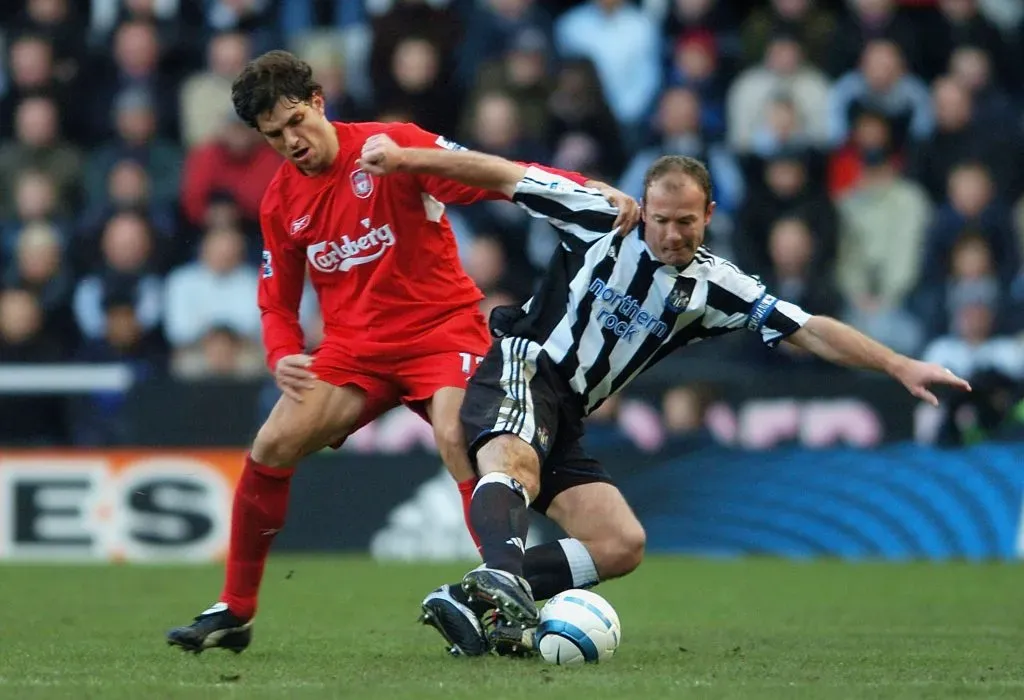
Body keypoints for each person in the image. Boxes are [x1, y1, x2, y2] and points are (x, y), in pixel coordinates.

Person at [357, 137, 973, 657]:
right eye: (661, 219)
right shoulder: (597, 215)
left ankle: (473, 599)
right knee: (514, 461)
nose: (672, 234)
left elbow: (808, 328)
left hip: (569, 413)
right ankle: (499, 578)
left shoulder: (714, 286)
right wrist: (408, 159)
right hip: (525, 365)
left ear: (708, 214)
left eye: (686, 222)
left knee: (621, 544)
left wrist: (897, 364)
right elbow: (500, 173)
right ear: (643, 207)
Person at [165, 50, 639, 654]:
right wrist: (282, 352)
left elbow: (493, 174)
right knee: (271, 444)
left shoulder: (391, 146)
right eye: (274, 136)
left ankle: (500, 598)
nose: (291, 142)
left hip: (442, 331)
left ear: (318, 102)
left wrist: (581, 190)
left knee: (456, 437)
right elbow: (276, 301)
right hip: (354, 351)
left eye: (295, 122)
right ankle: (236, 609)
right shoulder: (281, 202)